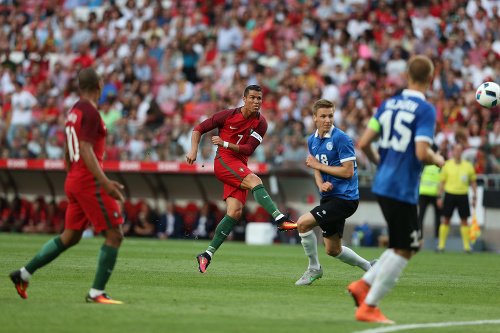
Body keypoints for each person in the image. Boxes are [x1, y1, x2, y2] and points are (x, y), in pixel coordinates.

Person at [9, 67, 126, 305]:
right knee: (114, 234)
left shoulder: (74, 111)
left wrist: (72, 175)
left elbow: (67, 149)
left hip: (74, 178)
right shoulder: (92, 112)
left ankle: (24, 273)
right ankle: (97, 292)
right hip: (88, 180)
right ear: (99, 86)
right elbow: (85, 149)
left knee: (70, 236)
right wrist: (104, 182)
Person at [347, 55, 445, 324]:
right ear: (431, 79)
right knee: (406, 248)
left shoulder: (388, 104)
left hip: (383, 182)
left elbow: (364, 142)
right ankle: (369, 304)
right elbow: (422, 152)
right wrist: (438, 160)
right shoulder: (425, 110)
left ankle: (363, 285)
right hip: (401, 186)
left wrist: (380, 162)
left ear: (405, 76)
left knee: (405, 245)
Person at [186, 85, 297, 273]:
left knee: (235, 212)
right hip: (224, 161)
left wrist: (225, 142)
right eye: (252, 97)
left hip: (239, 164)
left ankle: (206, 254)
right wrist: (194, 149)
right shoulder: (227, 115)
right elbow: (199, 128)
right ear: (244, 99)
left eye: (259, 98)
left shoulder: (261, 123)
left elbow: (248, 149)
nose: (256, 101)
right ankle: (280, 219)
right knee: (255, 181)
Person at [295, 99, 377, 286]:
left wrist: (318, 165)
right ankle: (370, 267)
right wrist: (321, 184)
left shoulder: (342, 139)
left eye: (330, 116)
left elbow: (348, 172)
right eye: (323, 116)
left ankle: (314, 269)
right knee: (333, 249)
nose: (327, 120)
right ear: (314, 117)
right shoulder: (312, 140)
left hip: (345, 199)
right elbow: (317, 169)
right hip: (329, 197)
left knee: (303, 223)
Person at [436, 143, 477, 253]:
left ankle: (467, 247)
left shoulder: (468, 165)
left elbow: (473, 182)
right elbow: (442, 182)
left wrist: (475, 196)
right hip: (449, 194)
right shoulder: (447, 165)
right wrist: (439, 196)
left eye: (460, 150)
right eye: (456, 150)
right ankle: (441, 246)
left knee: (464, 220)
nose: (458, 152)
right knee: (445, 219)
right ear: (452, 152)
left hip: (463, 194)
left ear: (462, 152)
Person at [418, 158, 442, 238]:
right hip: (430, 193)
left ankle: (419, 236)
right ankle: (436, 237)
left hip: (427, 193)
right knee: (436, 217)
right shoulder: (439, 167)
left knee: (421, 216)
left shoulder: (424, 165)